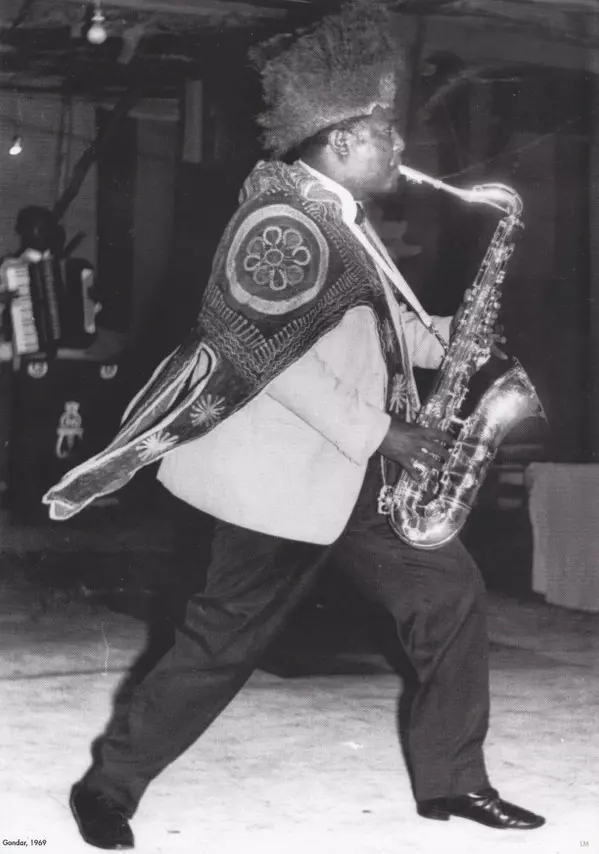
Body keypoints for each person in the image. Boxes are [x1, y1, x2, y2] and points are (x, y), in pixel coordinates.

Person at [43, 1, 546, 848]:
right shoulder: (279, 223)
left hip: (355, 477)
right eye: (384, 133)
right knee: (219, 643)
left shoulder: (338, 215)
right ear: (342, 139)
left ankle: (454, 783)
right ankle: (108, 787)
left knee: (449, 597)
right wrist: (383, 435)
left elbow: (377, 323)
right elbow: (261, 356)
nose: (398, 148)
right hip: (277, 477)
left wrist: (454, 338)